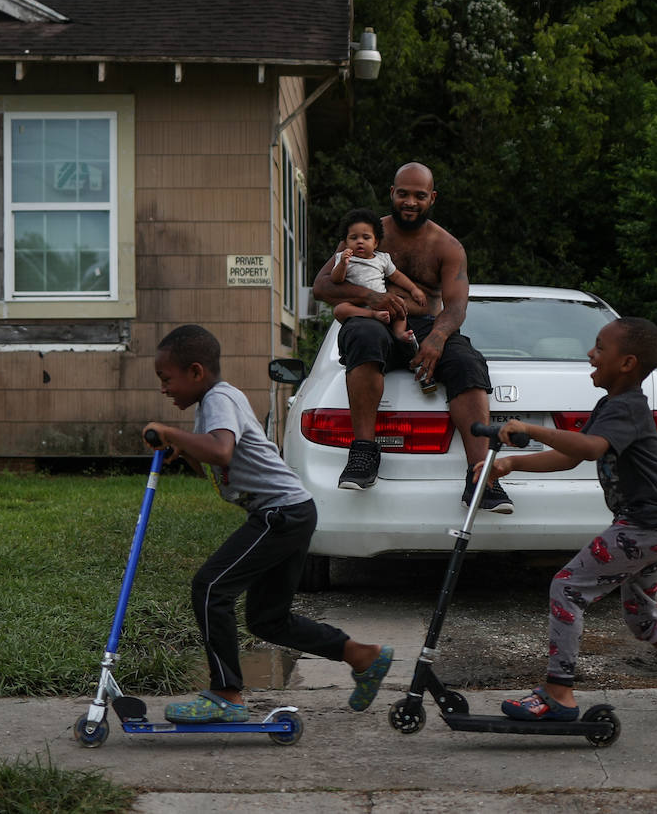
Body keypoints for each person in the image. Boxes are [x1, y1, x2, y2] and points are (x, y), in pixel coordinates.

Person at [477, 317, 657, 723]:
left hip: (642, 526)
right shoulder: (612, 405)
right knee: (643, 618)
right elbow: (574, 455)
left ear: (627, 362)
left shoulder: (627, 407)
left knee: (567, 588)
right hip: (654, 525)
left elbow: (591, 446)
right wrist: (512, 463)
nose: (590, 354)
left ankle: (558, 693)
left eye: (600, 347)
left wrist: (531, 429)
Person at [143, 324, 395, 724]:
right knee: (267, 619)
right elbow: (214, 461)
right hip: (292, 511)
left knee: (210, 587)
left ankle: (225, 693)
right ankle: (362, 656)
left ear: (195, 372)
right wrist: (181, 448)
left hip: (279, 514)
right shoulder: (218, 402)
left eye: (166, 379)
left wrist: (168, 430)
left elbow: (222, 452)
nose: (164, 389)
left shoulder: (218, 399)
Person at [311, 162, 511, 511]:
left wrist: (437, 338)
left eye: (419, 195)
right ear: (392, 193)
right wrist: (373, 299)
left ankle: (482, 477)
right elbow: (322, 285)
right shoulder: (365, 234)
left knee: (467, 362)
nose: (410, 202)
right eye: (403, 193)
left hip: (423, 325)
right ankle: (363, 454)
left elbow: (456, 306)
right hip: (373, 320)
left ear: (432, 198)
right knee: (363, 336)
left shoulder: (447, 246)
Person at [328, 207, 427, 353]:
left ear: (375, 242)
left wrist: (413, 289)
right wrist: (343, 263)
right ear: (346, 242)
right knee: (339, 310)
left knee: (400, 305)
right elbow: (336, 279)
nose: (360, 242)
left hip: (383, 303)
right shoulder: (344, 258)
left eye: (366, 238)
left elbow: (397, 276)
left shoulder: (382, 259)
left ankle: (399, 333)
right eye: (354, 238)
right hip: (358, 306)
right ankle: (373, 316)